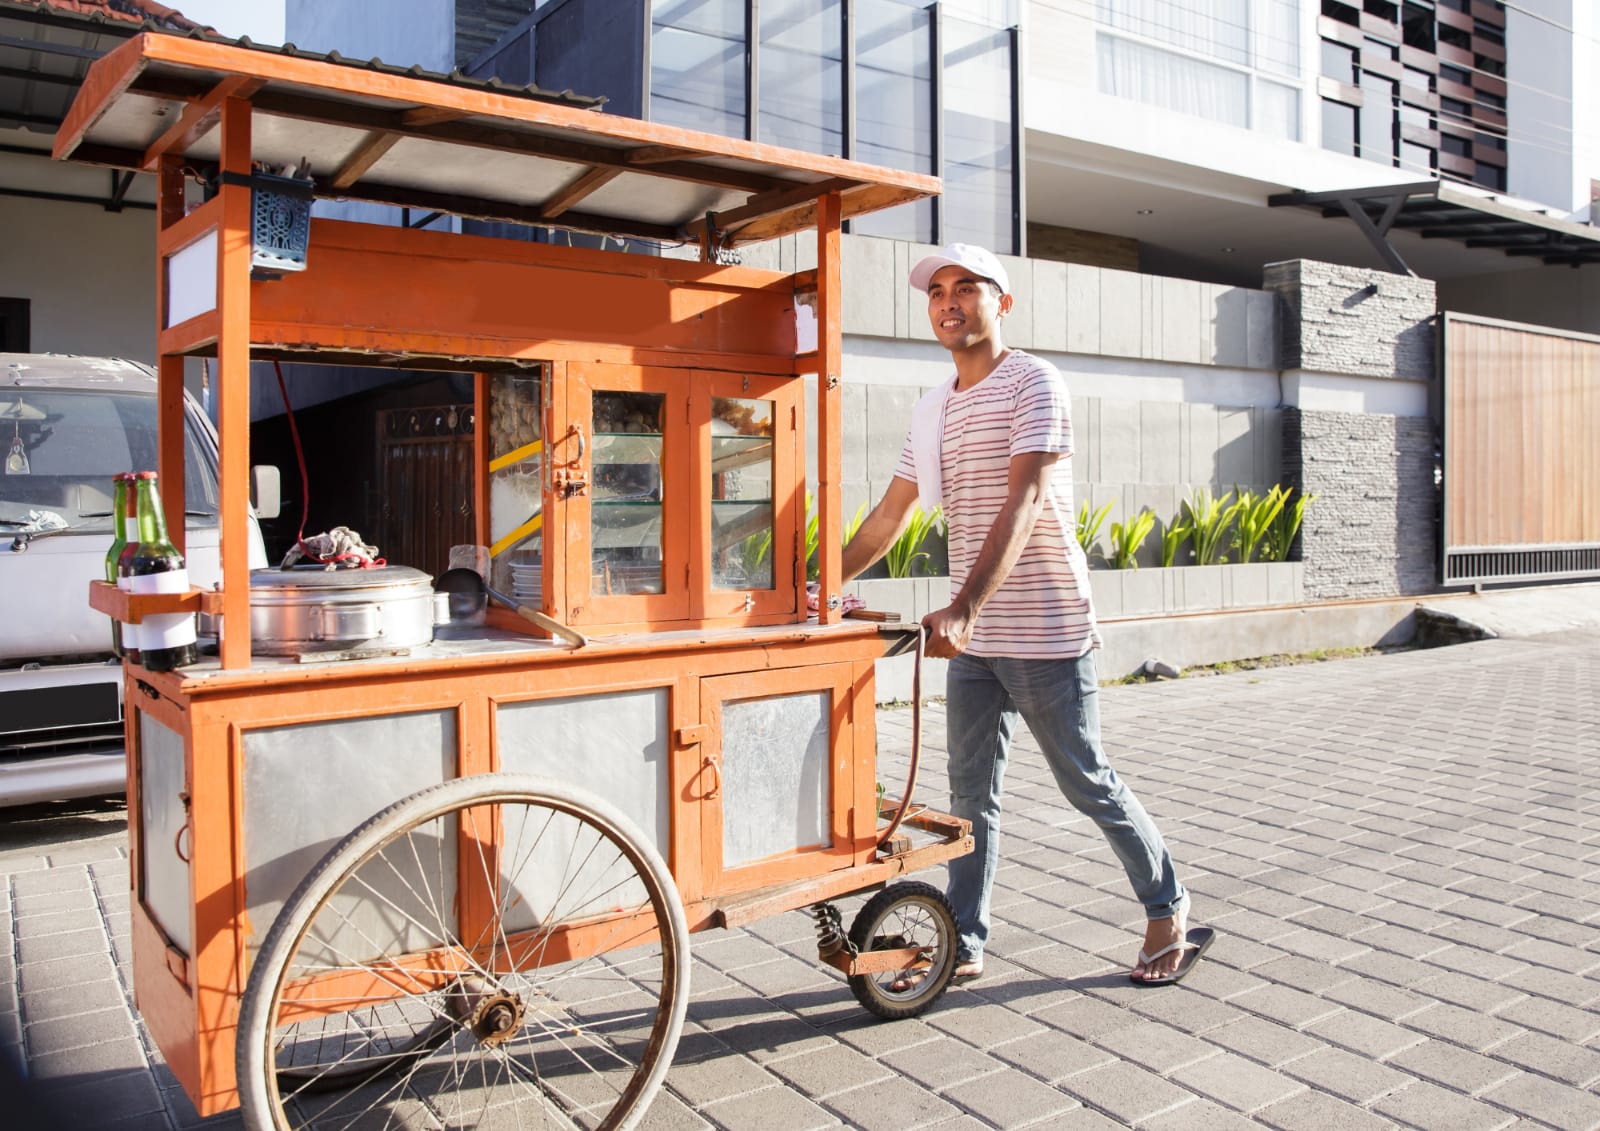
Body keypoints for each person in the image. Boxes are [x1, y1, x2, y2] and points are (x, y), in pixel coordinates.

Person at [842, 244, 1212, 986]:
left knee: (1086, 781)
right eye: (936, 292)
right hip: (975, 644)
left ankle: (1167, 907)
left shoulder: (1033, 382)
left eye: (966, 288)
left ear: (1001, 303)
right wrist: (816, 585)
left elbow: (1028, 497)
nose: (948, 302)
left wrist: (965, 607)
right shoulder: (933, 407)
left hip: (1045, 629)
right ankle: (964, 941)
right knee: (969, 797)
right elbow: (889, 514)